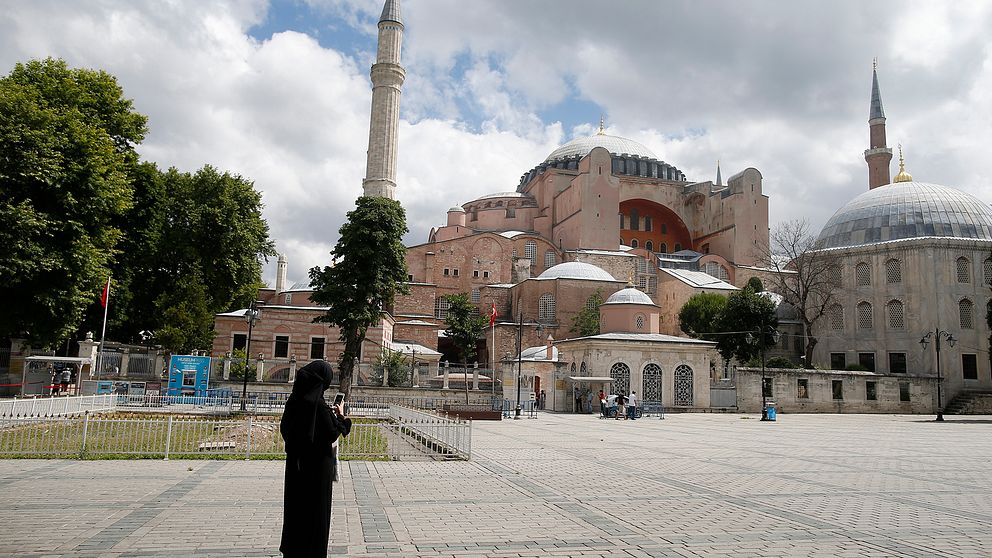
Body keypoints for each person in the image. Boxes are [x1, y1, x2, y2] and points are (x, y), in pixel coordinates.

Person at [279, 361, 351, 557]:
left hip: (296, 466)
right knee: (316, 514)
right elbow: (332, 432)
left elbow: (286, 429)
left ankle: (293, 550)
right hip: (318, 470)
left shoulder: (294, 402)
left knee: (296, 510)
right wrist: (342, 417)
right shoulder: (318, 406)